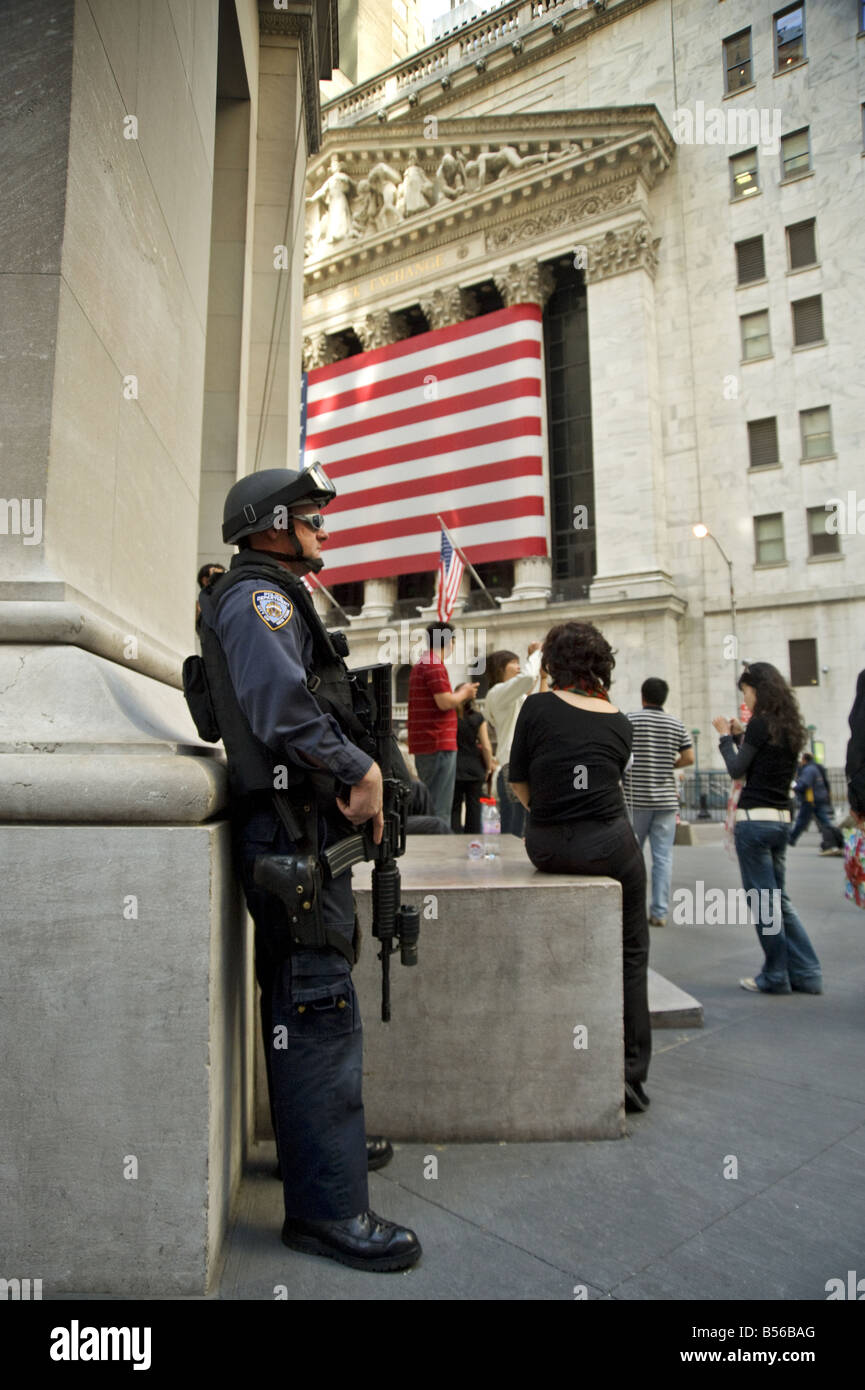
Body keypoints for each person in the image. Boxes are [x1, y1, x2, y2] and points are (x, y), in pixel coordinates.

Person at [194, 464, 420, 1271]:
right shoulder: (259, 598)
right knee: (317, 1000)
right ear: (270, 523)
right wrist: (357, 771)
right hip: (294, 833)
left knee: (308, 992)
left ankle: (321, 1151)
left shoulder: (270, 595)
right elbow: (280, 704)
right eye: (310, 517)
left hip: (299, 831)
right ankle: (326, 1211)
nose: (322, 528)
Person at [508, 621, 651, 1115]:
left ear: (551, 664)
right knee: (632, 952)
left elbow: (519, 782)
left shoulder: (536, 706)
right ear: (602, 665)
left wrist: (550, 819)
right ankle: (631, 1076)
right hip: (609, 845)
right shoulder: (619, 720)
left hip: (546, 845)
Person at [713, 662, 822, 995]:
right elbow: (762, 761)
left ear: (757, 689)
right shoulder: (790, 727)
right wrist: (738, 736)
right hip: (780, 820)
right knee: (779, 900)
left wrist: (723, 738)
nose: (745, 700)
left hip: (754, 822)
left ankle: (775, 974)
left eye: (745, 692)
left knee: (764, 904)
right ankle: (806, 971)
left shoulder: (759, 724)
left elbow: (736, 769)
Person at [624, 678, 694, 926]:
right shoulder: (676, 723)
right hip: (666, 800)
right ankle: (660, 911)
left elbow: (620, 756)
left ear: (643, 697)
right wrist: (670, 765)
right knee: (663, 858)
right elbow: (689, 757)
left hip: (636, 800)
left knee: (632, 857)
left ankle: (632, 910)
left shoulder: (630, 720)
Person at [407, 623, 477, 822]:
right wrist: (465, 692)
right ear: (450, 641)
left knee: (430, 804)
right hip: (437, 742)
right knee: (440, 809)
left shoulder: (422, 663)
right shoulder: (434, 665)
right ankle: (439, 850)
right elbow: (445, 702)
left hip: (426, 743)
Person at [484, 645, 543, 837]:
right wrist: (537, 652)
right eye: (514, 663)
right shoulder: (497, 693)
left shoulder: (511, 698)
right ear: (500, 668)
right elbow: (526, 679)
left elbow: (535, 695)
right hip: (512, 769)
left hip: (522, 767)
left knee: (522, 828)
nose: (519, 667)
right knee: (515, 832)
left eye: (520, 663)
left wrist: (544, 677)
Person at [451, 684, 496, 833]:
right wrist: (489, 766)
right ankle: (473, 842)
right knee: (474, 809)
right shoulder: (478, 717)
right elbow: (486, 746)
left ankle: (453, 839)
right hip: (474, 767)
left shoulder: (450, 717)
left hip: (453, 767)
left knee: (454, 808)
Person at [788, 752, 839, 853]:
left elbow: (805, 783)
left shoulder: (808, 770)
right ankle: (834, 838)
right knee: (823, 820)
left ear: (804, 760)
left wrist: (795, 787)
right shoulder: (814, 768)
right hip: (818, 797)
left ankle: (791, 839)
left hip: (811, 799)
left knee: (802, 820)